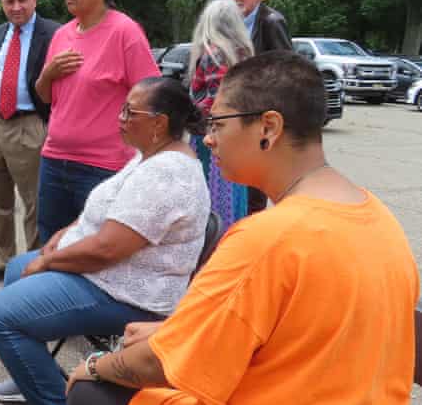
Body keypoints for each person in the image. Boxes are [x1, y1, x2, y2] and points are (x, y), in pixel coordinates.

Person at [66, 52, 419, 405]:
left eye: (217, 123)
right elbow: (305, 332)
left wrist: (96, 366)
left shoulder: (266, 240)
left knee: (91, 391)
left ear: (268, 128)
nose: (207, 138)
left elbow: (157, 362)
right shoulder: (379, 220)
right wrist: (175, 331)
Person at [0, 77, 211, 405]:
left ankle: (51, 398)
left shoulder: (167, 174)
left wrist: (47, 259)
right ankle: (30, 371)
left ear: (159, 123)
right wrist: (63, 236)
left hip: (129, 294)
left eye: (130, 112)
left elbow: (107, 249)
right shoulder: (150, 155)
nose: (120, 118)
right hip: (106, 274)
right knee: (17, 270)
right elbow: (104, 208)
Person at [34, 0, 160, 244]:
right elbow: (45, 96)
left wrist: (141, 155)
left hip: (103, 167)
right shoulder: (62, 35)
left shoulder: (125, 33)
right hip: (54, 160)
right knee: (51, 244)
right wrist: (48, 74)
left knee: (93, 252)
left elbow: (151, 97)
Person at [0, 0, 61, 285]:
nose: (16, 6)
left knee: (36, 202)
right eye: (10, 1)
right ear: (2, 4)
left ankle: (36, 264)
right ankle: (1, 260)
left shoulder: (54, 33)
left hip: (30, 124)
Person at [217, 0, 292, 216]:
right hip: (237, 105)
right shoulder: (231, 24)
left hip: (261, 107)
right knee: (238, 165)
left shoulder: (271, 21)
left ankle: (255, 220)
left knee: (258, 168)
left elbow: (285, 66)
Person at [187, 0, 254, 227]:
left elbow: (217, 103)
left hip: (210, 137)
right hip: (239, 135)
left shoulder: (214, 54)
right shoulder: (244, 53)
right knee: (234, 194)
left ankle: (213, 249)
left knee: (209, 201)